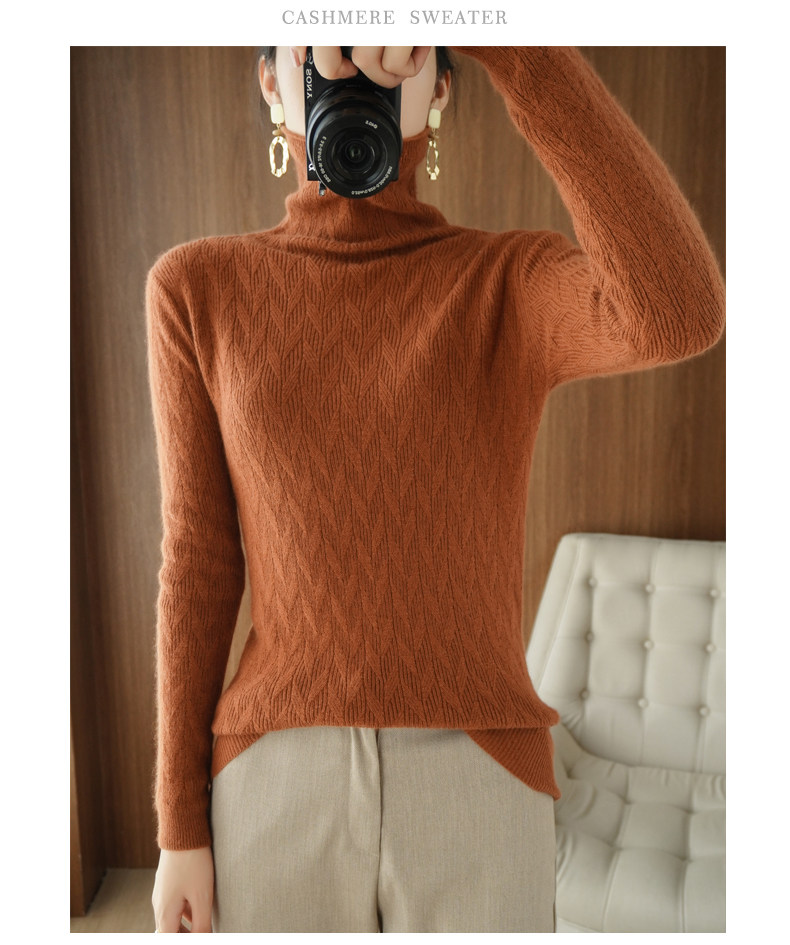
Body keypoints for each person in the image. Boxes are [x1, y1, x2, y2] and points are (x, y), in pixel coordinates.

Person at [149, 46, 725, 933]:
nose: (354, 63)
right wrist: (178, 824)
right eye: (318, 39)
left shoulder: (506, 284)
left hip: (481, 773)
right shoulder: (196, 289)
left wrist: (521, 51)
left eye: (395, 43)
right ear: (271, 81)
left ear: (443, 85)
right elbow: (198, 564)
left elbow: (677, 311)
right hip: (273, 777)